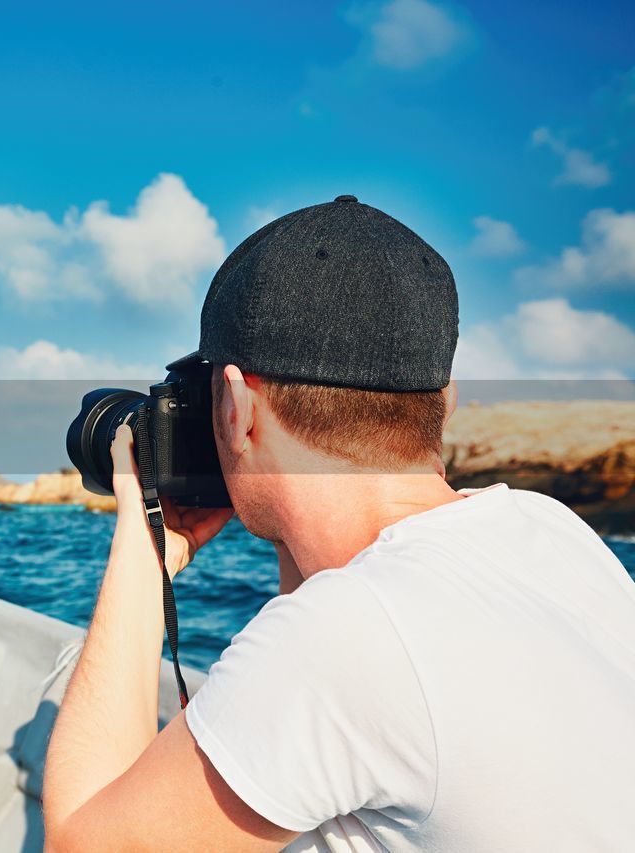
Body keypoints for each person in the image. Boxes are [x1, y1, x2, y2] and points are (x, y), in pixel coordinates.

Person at [42, 195, 635, 852]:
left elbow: (80, 843)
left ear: (236, 406)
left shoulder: (346, 637)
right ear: (446, 400)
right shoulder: (549, 530)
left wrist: (142, 548)